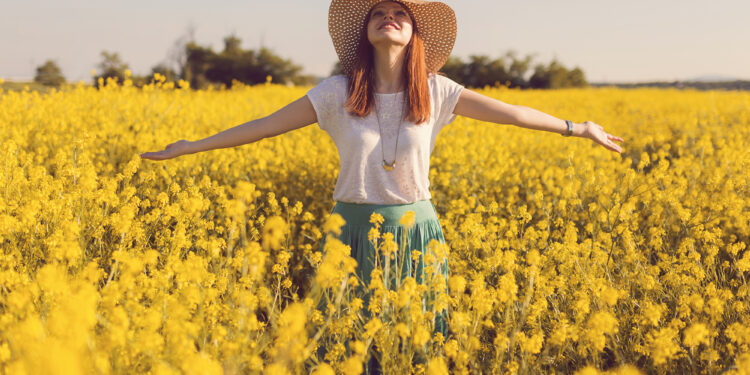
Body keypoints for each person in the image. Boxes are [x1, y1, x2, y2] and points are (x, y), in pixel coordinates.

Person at [140, 0, 624, 372]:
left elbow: (514, 115)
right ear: (365, 32)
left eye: (400, 14)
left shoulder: (437, 90)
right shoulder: (335, 94)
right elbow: (264, 125)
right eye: (379, 13)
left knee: (413, 348)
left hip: (416, 234)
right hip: (349, 234)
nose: (389, 17)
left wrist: (576, 127)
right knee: (343, 345)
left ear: (414, 33)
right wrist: (192, 145)